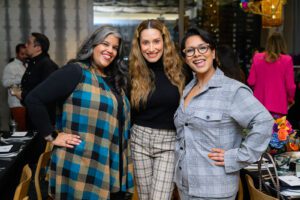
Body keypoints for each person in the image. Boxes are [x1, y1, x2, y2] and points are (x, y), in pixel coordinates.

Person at [25, 25, 134, 199]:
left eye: (115, 47)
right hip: (79, 164)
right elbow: (34, 99)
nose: (110, 50)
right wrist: (52, 136)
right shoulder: (76, 72)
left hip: (108, 161)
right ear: (93, 45)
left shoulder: (114, 79)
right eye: (105, 44)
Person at [174, 27, 273, 200]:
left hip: (214, 190)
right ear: (185, 58)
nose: (197, 54)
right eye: (190, 51)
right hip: (185, 187)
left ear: (213, 52)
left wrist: (236, 157)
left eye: (202, 48)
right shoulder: (187, 89)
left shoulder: (232, 90)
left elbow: (264, 122)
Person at [129, 19, 187, 200]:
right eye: (145, 42)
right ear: (139, 45)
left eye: (156, 41)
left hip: (169, 143)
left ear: (164, 42)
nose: (151, 48)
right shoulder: (130, 72)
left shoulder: (181, 70)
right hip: (139, 140)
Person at [247, 32, 296, 117]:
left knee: (259, 130)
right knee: (277, 130)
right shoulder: (287, 60)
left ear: (268, 44)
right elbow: (290, 86)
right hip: (279, 106)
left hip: (258, 106)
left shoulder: (257, 57)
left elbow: (251, 81)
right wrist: (290, 99)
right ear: (282, 44)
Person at [2, 43, 28, 130]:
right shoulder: (10, 66)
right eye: (22, 54)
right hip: (16, 102)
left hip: (27, 101)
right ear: (17, 53)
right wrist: (22, 80)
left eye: (26, 54)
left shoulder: (28, 65)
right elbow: (5, 83)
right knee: (21, 128)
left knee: (27, 128)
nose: (24, 56)